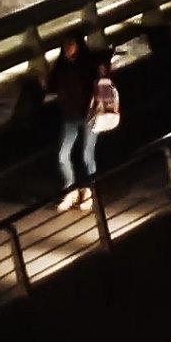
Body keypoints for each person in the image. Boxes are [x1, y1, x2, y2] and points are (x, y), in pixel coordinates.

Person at [48, 36, 114, 211]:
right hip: (69, 117)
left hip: (89, 116)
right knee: (63, 155)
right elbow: (50, 86)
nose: (68, 48)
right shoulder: (61, 66)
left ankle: (91, 191)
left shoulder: (87, 63)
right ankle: (71, 190)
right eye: (66, 45)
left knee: (87, 154)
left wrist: (104, 67)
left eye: (71, 44)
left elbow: (102, 76)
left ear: (78, 45)